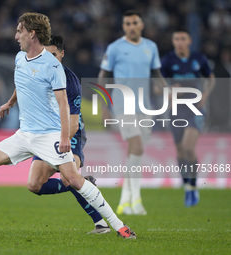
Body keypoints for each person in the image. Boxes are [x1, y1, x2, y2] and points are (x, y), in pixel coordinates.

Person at [0, 12, 136, 239]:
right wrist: (10, 101)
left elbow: (63, 103)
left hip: (50, 136)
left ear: (32, 33)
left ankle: (120, 227)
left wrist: (65, 137)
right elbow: (22, 81)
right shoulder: (20, 58)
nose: (16, 35)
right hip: (25, 134)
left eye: (20, 31)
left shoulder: (52, 66)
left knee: (74, 180)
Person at [27, 35, 110, 234]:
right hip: (47, 135)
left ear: (62, 54)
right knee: (34, 185)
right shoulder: (36, 76)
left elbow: (73, 121)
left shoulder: (70, 80)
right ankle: (83, 183)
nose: (49, 59)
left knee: (68, 179)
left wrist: (63, 140)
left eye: (53, 54)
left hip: (70, 133)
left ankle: (101, 224)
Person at [99, 10, 166, 215]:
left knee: (134, 154)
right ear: (124, 26)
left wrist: (165, 89)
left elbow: (156, 74)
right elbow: (103, 77)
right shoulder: (115, 48)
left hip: (144, 107)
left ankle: (125, 201)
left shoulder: (150, 47)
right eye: (127, 23)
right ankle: (136, 199)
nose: (131, 26)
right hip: (122, 105)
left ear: (141, 25)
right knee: (136, 147)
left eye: (134, 23)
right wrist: (103, 106)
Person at [161, 28, 215, 207]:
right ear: (173, 41)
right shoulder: (168, 61)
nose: (180, 42)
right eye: (176, 39)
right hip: (176, 110)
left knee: (188, 147)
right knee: (180, 151)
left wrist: (205, 95)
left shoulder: (199, 60)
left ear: (189, 41)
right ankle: (187, 187)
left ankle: (193, 187)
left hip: (195, 109)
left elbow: (211, 78)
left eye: (183, 38)